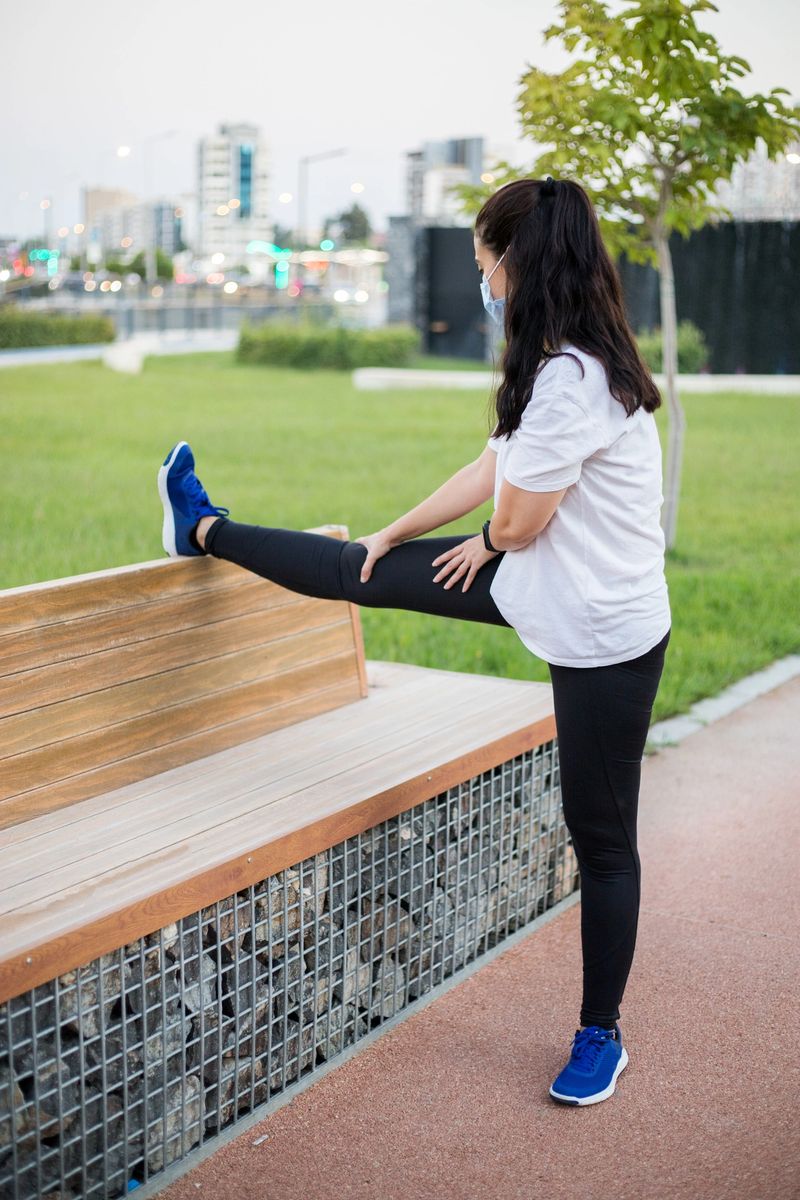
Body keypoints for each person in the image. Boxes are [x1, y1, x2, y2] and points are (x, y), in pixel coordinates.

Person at [157, 175, 671, 1108]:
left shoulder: (574, 382)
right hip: (545, 589)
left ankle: (602, 1034)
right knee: (361, 568)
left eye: (484, 263)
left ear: (516, 263)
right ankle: (200, 527)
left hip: (602, 635)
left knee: (602, 840)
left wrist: (482, 545)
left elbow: (516, 522)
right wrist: (391, 535)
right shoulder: (563, 359)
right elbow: (492, 468)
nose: (482, 280)